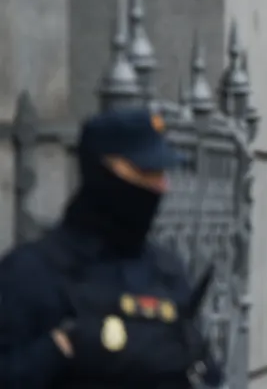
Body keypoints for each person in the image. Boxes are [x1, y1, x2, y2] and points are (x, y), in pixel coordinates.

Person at [0, 108, 225, 388]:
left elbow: (204, 372)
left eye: (162, 173)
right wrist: (57, 349)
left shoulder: (166, 271)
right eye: (146, 172)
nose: (161, 186)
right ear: (102, 173)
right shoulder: (31, 273)